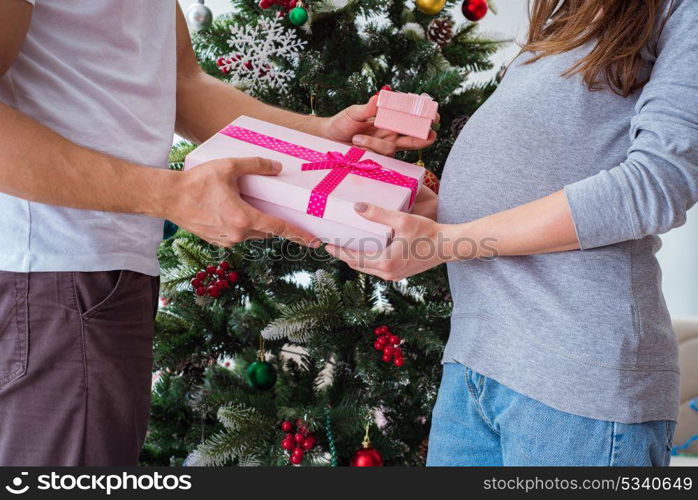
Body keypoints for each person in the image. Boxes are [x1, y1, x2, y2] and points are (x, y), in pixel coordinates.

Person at [0, 0, 435, 466]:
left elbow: (181, 83)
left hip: (94, 274)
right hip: (52, 273)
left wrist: (319, 133)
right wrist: (168, 194)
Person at [328, 0, 697, 466]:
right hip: (475, 365)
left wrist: (449, 241)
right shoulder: (567, 15)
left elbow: (658, 182)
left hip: (576, 385)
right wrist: (444, 218)